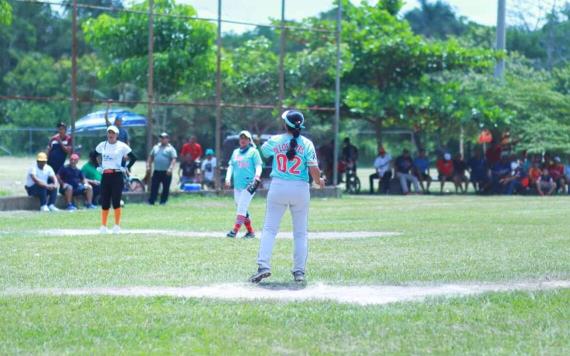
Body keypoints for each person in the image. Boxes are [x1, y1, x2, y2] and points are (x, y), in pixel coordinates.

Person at [249, 110, 325, 284]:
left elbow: (264, 151)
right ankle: (299, 272)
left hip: (278, 186)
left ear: (286, 125)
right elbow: (313, 169)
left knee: (269, 229)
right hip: (300, 188)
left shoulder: (276, 140)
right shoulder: (307, 143)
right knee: (300, 233)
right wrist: (319, 180)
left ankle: (264, 266)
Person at [96, 125, 136, 234]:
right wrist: (98, 165)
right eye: (109, 132)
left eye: (113, 133)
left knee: (116, 201)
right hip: (105, 176)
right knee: (105, 201)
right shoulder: (102, 145)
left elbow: (133, 157)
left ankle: (117, 226)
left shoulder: (122, 146)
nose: (111, 135)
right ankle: (103, 226)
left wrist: (126, 167)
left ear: (117, 135)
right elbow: (94, 154)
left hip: (117, 176)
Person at [225, 131, 263, 238]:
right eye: (241, 138)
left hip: (249, 185)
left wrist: (257, 176)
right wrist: (228, 178)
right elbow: (231, 166)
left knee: (241, 207)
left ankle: (234, 231)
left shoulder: (253, 152)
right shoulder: (235, 152)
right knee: (241, 208)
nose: (242, 140)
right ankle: (250, 232)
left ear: (249, 140)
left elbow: (258, 166)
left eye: (245, 138)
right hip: (237, 185)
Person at [146, 132, 177, 205]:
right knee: (154, 187)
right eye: (161, 138)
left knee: (166, 187)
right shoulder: (156, 147)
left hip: (166, 171)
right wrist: (148, 166)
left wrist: (170, 168)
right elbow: (151, 157)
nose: (162, 139)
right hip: (157, 171)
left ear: (168, 139)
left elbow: (174, 159)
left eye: (164, 138)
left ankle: (163, 201)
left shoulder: (171, 148)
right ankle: (151, 201)